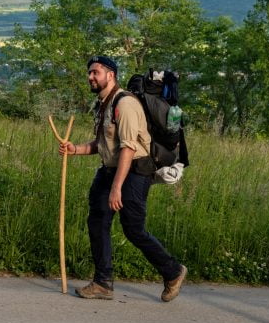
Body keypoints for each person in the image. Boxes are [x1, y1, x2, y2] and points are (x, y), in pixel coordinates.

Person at [57, 55, 188, 303]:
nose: (91, 77)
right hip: (110, 169)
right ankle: (102, 283)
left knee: (133, 229)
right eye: (89, 73)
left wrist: (116, 188)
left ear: (111, 74)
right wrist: (75, 149)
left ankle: (173, 271)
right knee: (97, 220)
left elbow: (128, 148)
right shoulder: (104, 104)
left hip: (136, 172)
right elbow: (102, 144)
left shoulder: (124, 104)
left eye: (96, 72)